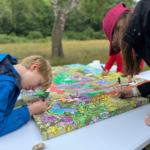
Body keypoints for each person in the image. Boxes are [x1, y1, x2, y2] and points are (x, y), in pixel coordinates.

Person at [103, 0, 150, 125]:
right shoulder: (142, 23)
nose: (121, 49)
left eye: (117, 44)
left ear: (120, 26)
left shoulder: (148, 17)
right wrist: (136, 91)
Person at [0, 53, 53, 136]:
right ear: (34, 67)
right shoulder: (5, 84)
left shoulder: (6, 63)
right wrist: (30, 110)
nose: (34, 89)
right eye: (39, 83)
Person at [102, 3, 144, 76]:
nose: (118, 47)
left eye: (116, 43)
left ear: (120, 27)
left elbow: (139, 64)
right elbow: (109, 63)